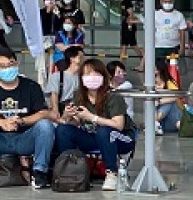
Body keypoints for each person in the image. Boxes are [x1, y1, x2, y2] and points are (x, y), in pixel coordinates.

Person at [55, 57, 136, 191]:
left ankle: (112, 173)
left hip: (120, 138)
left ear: (104, 76)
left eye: (96, 74)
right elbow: (77, 121)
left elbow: (119, 125)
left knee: (104, 131)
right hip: (93, 137)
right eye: (87, 74)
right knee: (63, 130)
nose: (91, 77)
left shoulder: (113, 97)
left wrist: (92, 117)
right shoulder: (79, 96)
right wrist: (67, 115)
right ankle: (68, 169)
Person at [0, 46, 55, 189]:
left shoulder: (31, 86)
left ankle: (40, 172)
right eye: (2, 66)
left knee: (45, 126)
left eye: (11, 64)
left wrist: (22, 121)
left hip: (24, 138)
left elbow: (43, 112)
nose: (7, 69)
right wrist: (1, 122)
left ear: (17, 63)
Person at [45, 45, 83, 121]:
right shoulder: (57, 76)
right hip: (62, 110)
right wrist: (55, 111)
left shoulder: (83, 77)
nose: (83, 59)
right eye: (80, 57)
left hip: (78, 110)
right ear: (72, 59)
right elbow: (54, 94)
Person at [154, 0, 187, 67]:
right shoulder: (155, 14)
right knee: (160, 67)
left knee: (173, 68)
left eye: (169, 2)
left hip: (173, 47)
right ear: (161, 2)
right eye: (165, 2)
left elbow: (182, 31)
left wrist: (182, 48)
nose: (168, 4)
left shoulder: (179, 15)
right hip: (159, 47)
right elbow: (151, 31)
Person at [36, 0, 62, 85]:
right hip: (43, 38)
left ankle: (52, 82)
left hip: (54, 38)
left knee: (52, 61)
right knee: (42, 62)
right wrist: (47, 11)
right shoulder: (40, 12)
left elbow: (60, 25)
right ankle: (41, 83)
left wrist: (57, 15)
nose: (50, 1)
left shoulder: (58, 12)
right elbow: (39, 25)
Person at [116, 0, 143, 70]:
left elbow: (131, 13)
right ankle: (121, 64)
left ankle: (143, 59)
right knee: (124, 44)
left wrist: (130, 24)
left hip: (128, 24)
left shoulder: (127, 1)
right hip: (124, 24)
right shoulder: (121, 1)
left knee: (133, 44)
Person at [153, 63, 182, 134]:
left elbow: (175, 96)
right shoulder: (151, 83)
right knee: (151, 101)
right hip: (162, 122)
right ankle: (155, 122)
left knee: (169, 102)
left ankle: (155, 122)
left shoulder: (170, 83)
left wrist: (159, 101)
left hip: (174, 119)